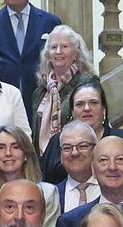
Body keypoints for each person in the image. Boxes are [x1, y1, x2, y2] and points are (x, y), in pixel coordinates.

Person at [39, 78, 123, 192]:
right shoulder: (58, 141)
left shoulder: (119, 139)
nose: (87, 108)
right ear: (72, 112)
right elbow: (45, 183)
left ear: (103, 110)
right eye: (80, 104)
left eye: (94, 102)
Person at [0, 125, 61, 227]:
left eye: (16, 147)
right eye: (1, 148)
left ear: (26, 154)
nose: (8, 153)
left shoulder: (48, 193)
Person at [31, 25, 96, 153]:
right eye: (54, 47)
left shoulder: (87, 84)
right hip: (44, 162)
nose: (58, 51)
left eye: (64, 47)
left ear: (76, 52)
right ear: (48, 54)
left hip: (77, 156)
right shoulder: (40, 92)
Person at [49, 120, 101, 213]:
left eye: (83, 146)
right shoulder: (51, 196)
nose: (74, 153)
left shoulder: (111, 186)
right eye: (67, 148)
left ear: (96, 149)